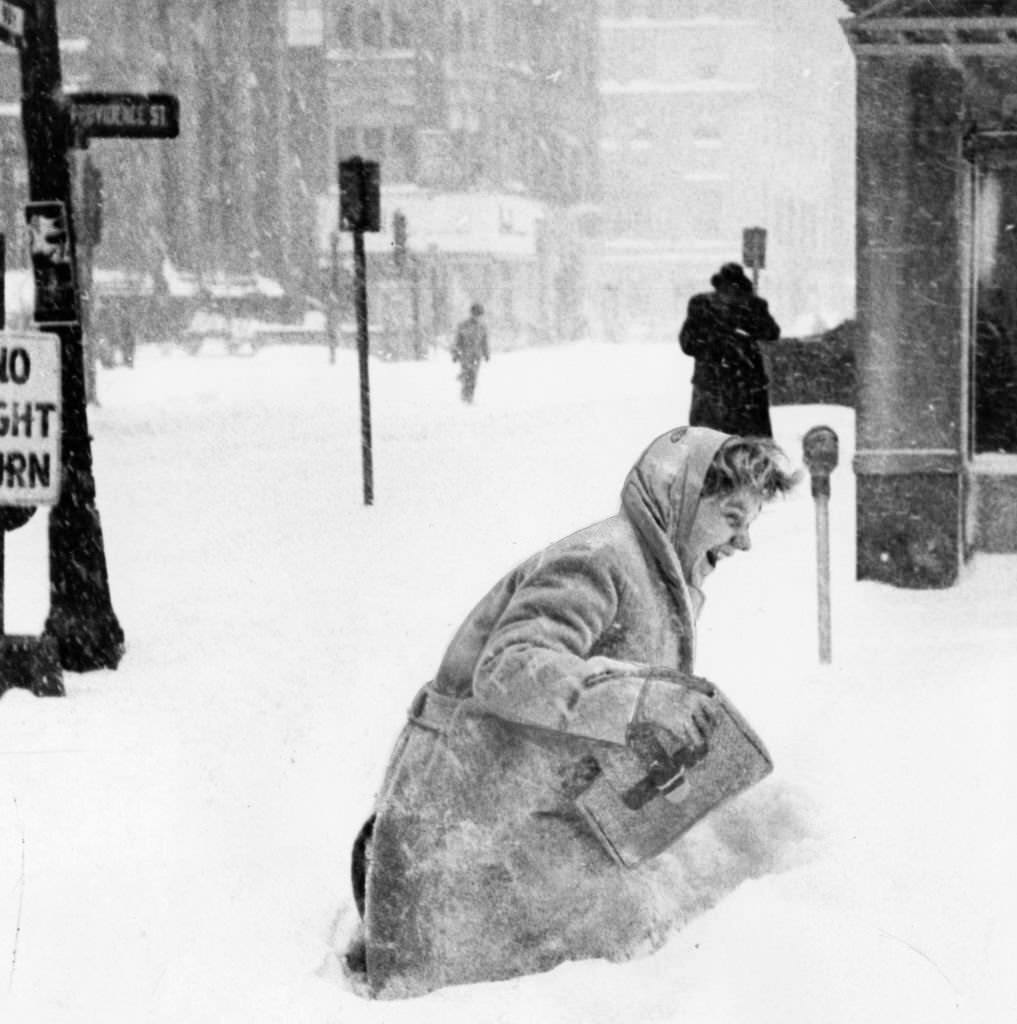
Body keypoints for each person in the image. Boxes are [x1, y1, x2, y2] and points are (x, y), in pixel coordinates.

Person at [347, 427, 799, 998]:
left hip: (517, 822)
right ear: (683, 498)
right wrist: (642, 703)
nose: (744, 542)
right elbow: (509, 669)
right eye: (734, 517)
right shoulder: (602, 561)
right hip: (462, 820)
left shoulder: (656, 575)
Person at [679, 262, 781, 437]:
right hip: (714, 389)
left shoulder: (754, 307)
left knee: (748, 448)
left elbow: (771, 332)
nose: (731, 296)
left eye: (736, 291)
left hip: (746, 390)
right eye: (727, 290)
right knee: (709, 445)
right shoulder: (701, 306)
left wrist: (747, 321)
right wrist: (715, 343)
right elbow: (688, 344)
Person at [451, 302, 490, 403]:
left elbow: (484, 341)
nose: (477, 317)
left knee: (473, 376)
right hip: (465, 355)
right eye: (476, 314)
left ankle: (470, 396)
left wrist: (486, 353)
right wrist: (455, 353)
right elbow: (457, 341)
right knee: (468, 374)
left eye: (479, 315)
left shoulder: (482, 327)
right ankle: (465, 395)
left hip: (476, 356)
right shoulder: (463, 325)